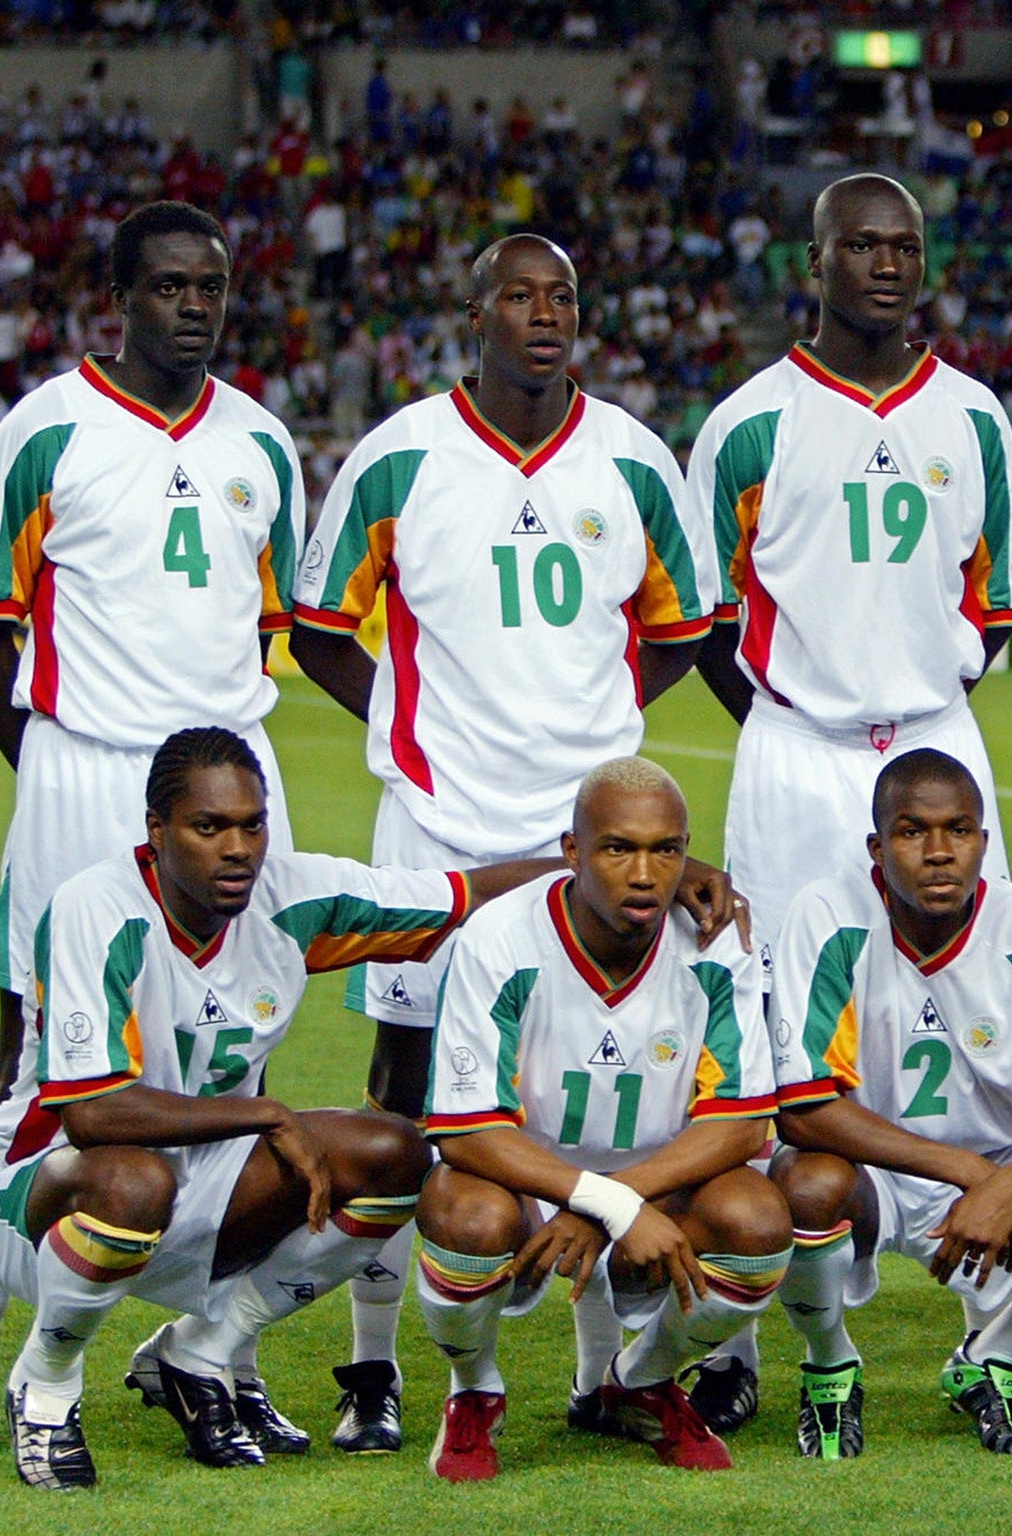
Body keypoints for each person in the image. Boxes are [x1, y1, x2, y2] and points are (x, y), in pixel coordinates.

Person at [290, 233, 726, 1453]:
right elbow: (324, 628)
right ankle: (377, 1369)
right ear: (470, 310)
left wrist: (587, 732)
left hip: (591, 833)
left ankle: (606, 1366)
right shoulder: (399, 456)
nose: (545, 316)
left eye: (564, 299)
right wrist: (415, 724)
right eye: (519, 296)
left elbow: (683, 627)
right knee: (404, 1086)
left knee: (601, 1082)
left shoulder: (635, 459)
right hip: (441, 827)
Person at [0, 727, 560, 1488]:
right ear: (157, 833)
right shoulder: (95, 907)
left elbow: (466, 894)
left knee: (394, 1156)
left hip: (204, 1184)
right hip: (40, 1191)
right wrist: (266, 1117)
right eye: (208, 826)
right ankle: (46, 1385)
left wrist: (624, 870)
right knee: (133, 1182)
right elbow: (94, 1113)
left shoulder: (292, 897)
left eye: (252, 824)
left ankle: (201, 1353)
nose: (238, 848)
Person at [683, 172, 1012, 1424]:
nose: (886, 264)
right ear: (815, 262)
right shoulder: (748, 423)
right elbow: (708, 619)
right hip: (794, 748)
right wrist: (796, 715)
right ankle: (737, 1341)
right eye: (861, 246)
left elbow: (994, 607)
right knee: (768, 1020)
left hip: (937, 738)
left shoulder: (976, 416)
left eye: (906, 246)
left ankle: (1003, 1328)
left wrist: (912, 711)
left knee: (978, 1003)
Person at [0, 202, 303, 1112]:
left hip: (230, 777)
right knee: (41, 1030)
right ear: (119, 298)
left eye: (211, 287)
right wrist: (48, 756)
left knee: (237, 1020)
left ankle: (229, 1234)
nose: (193, 307)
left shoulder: (264, 443)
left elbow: (263, 619)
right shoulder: (43, 432)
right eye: (168, 288)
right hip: (84, 766)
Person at [768, 750, 1012, 1460]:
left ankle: (997, 1353)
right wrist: (967, 1174)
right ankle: (829, 1367)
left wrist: (1006, 1181)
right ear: (877, 849)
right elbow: (802, 1107)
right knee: (804, 1182)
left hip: (1007, 1163)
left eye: (960, 831)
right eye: (913, 833)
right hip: (874, 1171)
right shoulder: (827, 915)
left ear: (984, 839)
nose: (939, 853)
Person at [415, 758, 789, 1481]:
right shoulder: (501, 938)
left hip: (661, 1182)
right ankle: (473, 1392)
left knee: (756, 1221)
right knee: (464, 1218)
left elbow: (742, 1125)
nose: (646, 874)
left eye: (667, 850)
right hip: (523, 1184)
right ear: (572, 852)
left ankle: (638, 1382)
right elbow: (464, 1130)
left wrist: (617, 1203)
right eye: (619, 849)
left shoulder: (718, 942)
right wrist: (604, 1201)